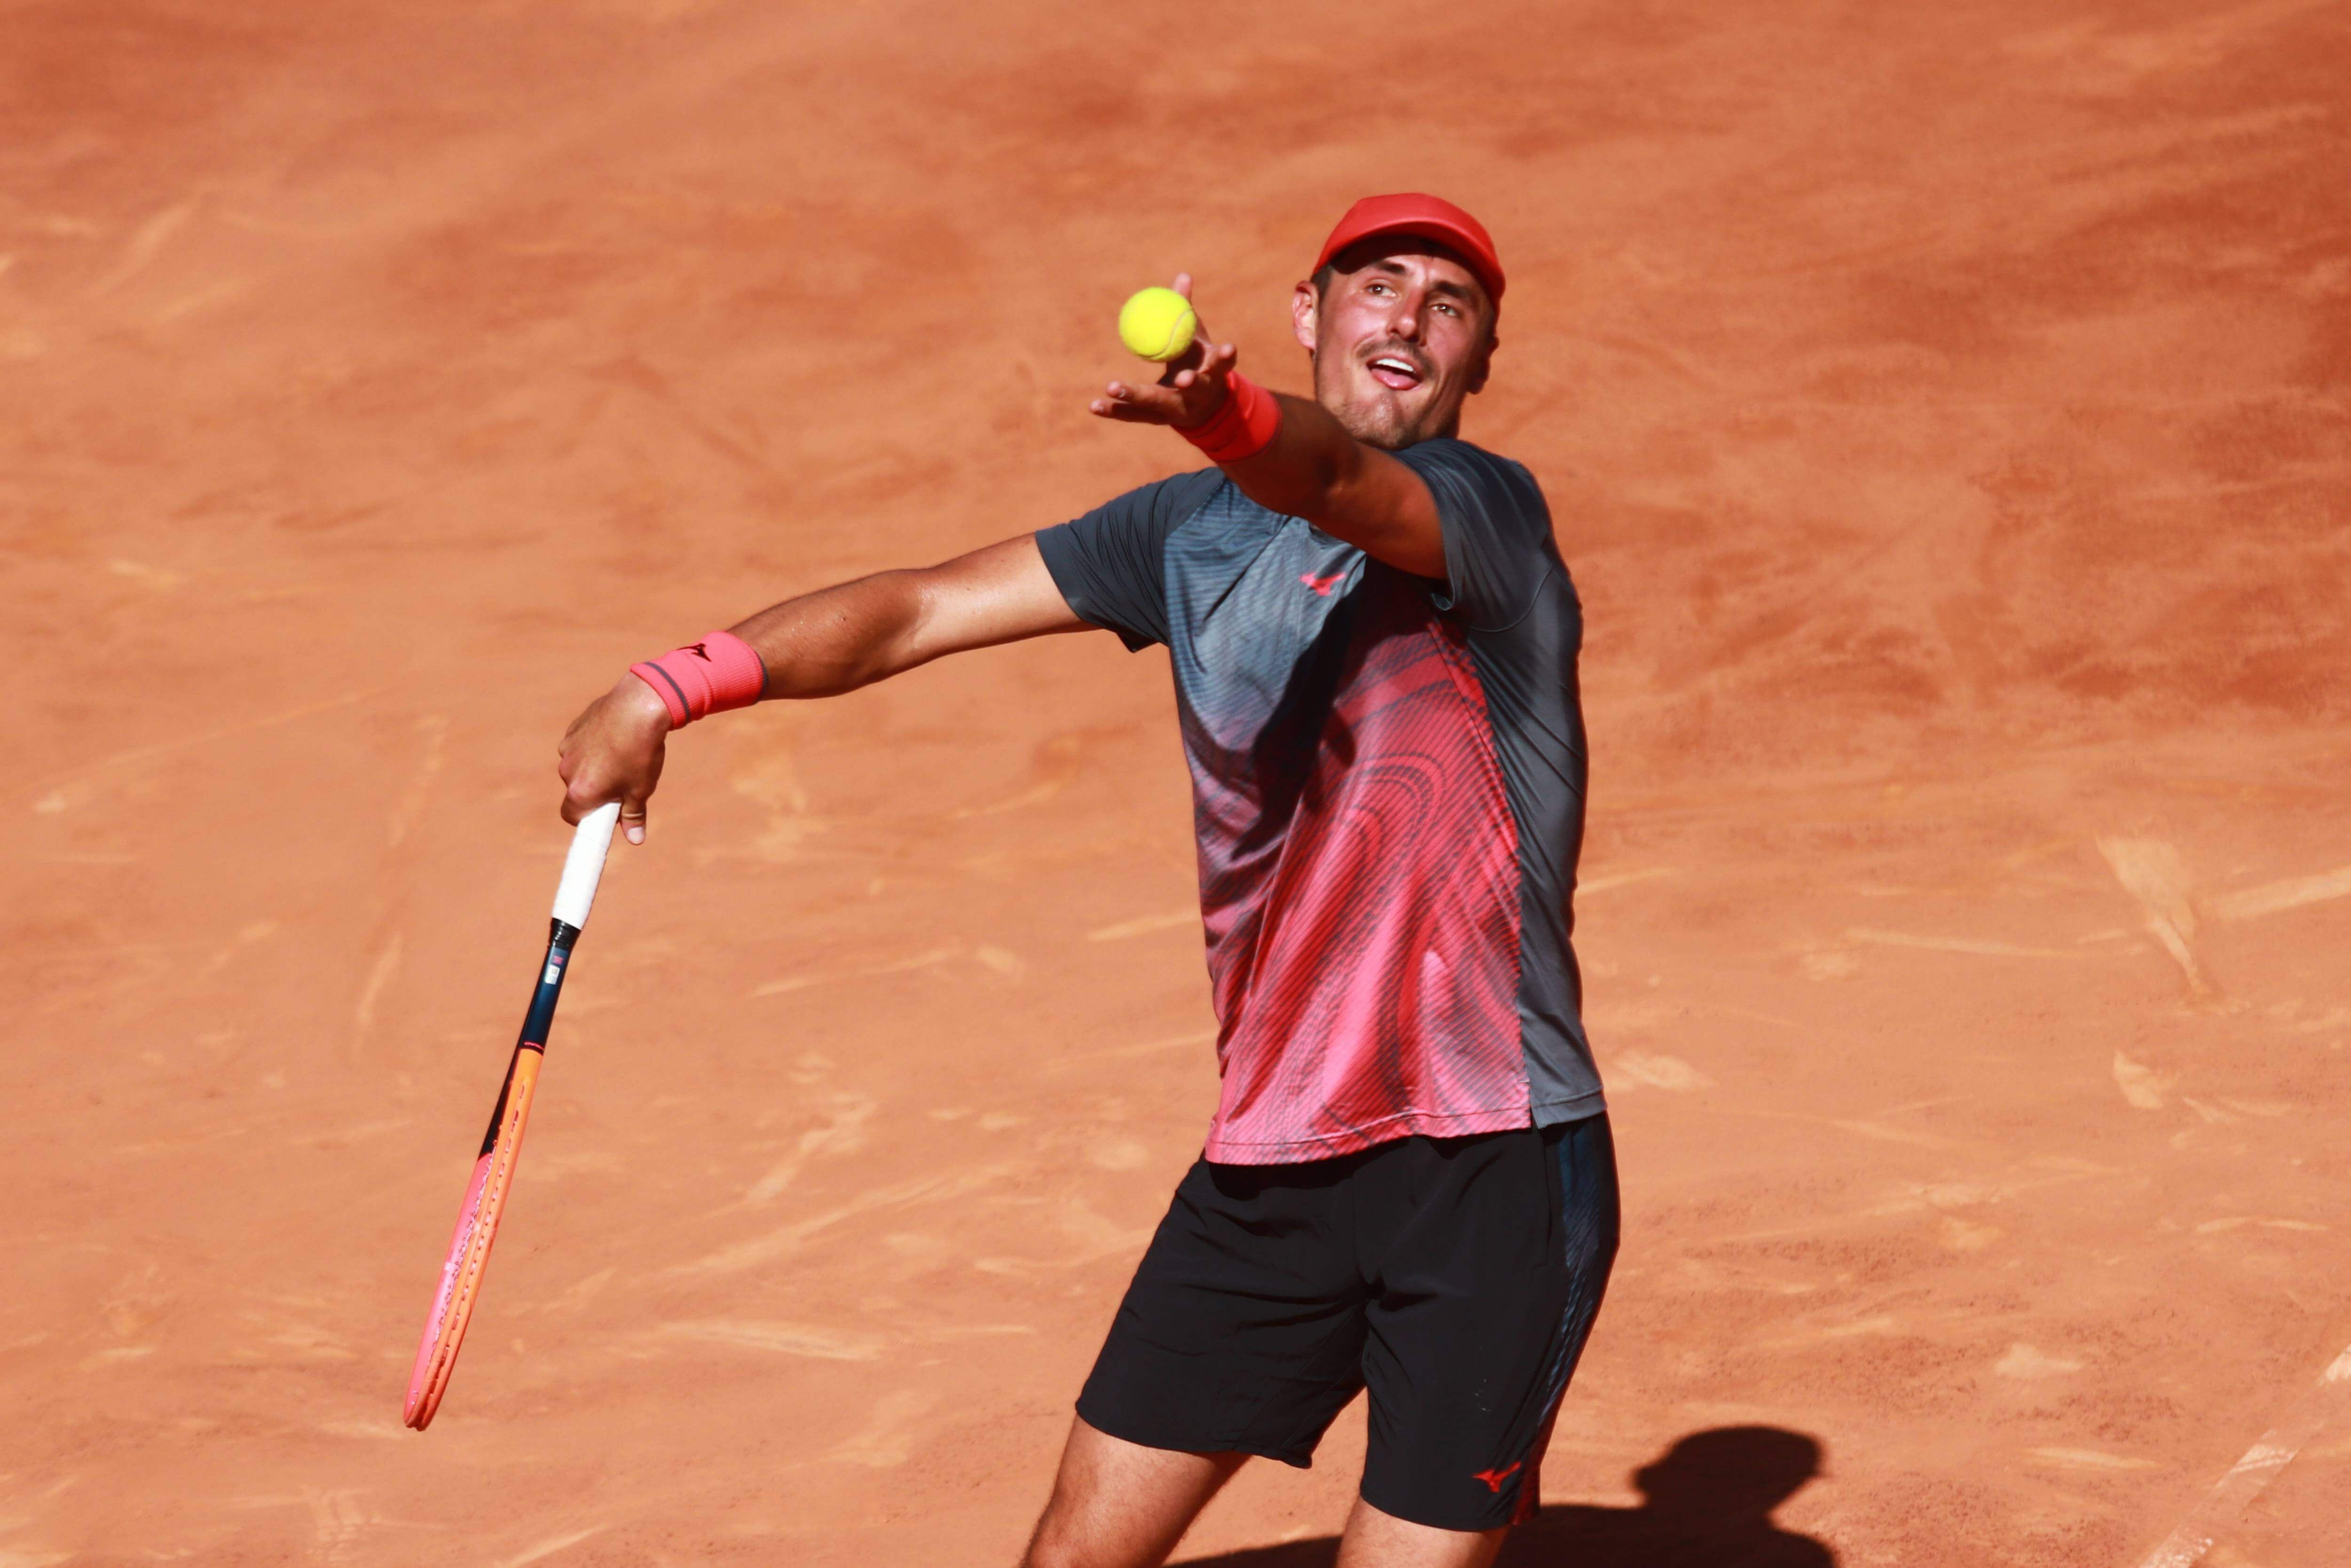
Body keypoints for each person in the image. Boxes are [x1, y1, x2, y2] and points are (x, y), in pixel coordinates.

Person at [557, 193, 1617, 1568]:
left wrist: (1228, 417)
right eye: (1376, 285)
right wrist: (668, 688)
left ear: (1480, 363)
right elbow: (919, 609)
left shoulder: (1488, 519)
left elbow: (1339, 486)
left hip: (1493, 1161)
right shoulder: (1185, 538)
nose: (1407, 319)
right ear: (1312, 314)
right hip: (1271, 1156)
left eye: (1449, 304)